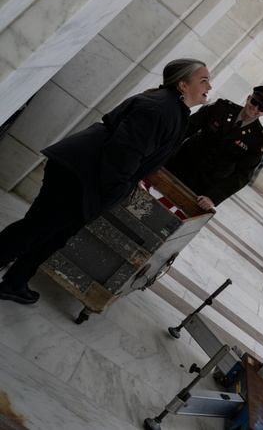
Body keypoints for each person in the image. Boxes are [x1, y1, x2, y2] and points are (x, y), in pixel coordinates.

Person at [0, 58, 211, 305]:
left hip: (89, 177)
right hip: (80, 174)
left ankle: (15, 282)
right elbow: (123, 153)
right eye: (203, 80)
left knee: (54, 234)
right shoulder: (160, 108)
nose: (209, 86)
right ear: (182, 85)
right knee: (36, 229)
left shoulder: (173, 109)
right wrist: (117, 190)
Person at [164, 86, 263, 210]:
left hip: (205, 184)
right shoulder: (221, 107)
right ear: (249, 98)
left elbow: (243, 175)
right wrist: (160, 153)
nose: (255, 108)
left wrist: (213, 198)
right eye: (254, 102)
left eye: (261, 108)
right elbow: (186, 128)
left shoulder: (259, 140)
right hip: (179, 163)